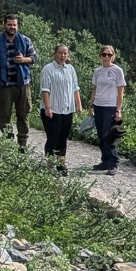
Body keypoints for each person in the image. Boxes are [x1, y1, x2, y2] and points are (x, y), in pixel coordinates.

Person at [0, 15, 36, 150]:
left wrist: (23, 60)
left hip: (22, 83)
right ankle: (8, 143)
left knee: (23, 113)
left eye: (14, 25)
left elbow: (34, 58)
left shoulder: (25, 40)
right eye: (10, 25)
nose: (12, 27)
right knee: (5, 114)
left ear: (17, 26)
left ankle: (22, 143)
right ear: (4, 25)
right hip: (4, 84)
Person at [38, 43, 83, 175]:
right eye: (60, 53)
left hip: (67, 109)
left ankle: (61, 163)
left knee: (63, 138)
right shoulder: (48, 69)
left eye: (65, 53)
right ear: (55, 54)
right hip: (52, 110)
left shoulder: (70, 69)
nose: (63, 56)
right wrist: (48, 107)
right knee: (53, 137)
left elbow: (75, 88)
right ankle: (50, 164)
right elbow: (45, 90)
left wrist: (78, 104)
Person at [89, 45, 127, 175]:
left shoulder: (117, 71)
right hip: (98, 105)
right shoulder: (97, 71)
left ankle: (113, 162)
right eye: (104, 54)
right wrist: (91, 105)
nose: (107, 57)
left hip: (110, 106)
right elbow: (95, 89)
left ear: (113, 56)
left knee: (108, 135)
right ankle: (105, 161)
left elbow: (120, 92)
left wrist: (118, 109)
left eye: (109, 54)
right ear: (100, 56)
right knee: (100, 135)